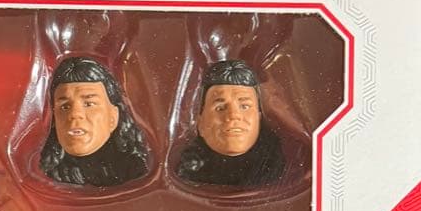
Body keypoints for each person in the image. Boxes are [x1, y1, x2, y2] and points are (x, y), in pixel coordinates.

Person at [39, 56, 149, 187]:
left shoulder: (137, 172)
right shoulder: (45, 176)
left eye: (89, 104)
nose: (74, 114)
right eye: (65, 107)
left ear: (113, 116)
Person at [176, 59, 285, 188]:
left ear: (259, 117)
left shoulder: (276, 166)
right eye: (220, 108)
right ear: (200, 121)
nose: (233, 115)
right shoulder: (184, 169)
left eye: (244, 106)